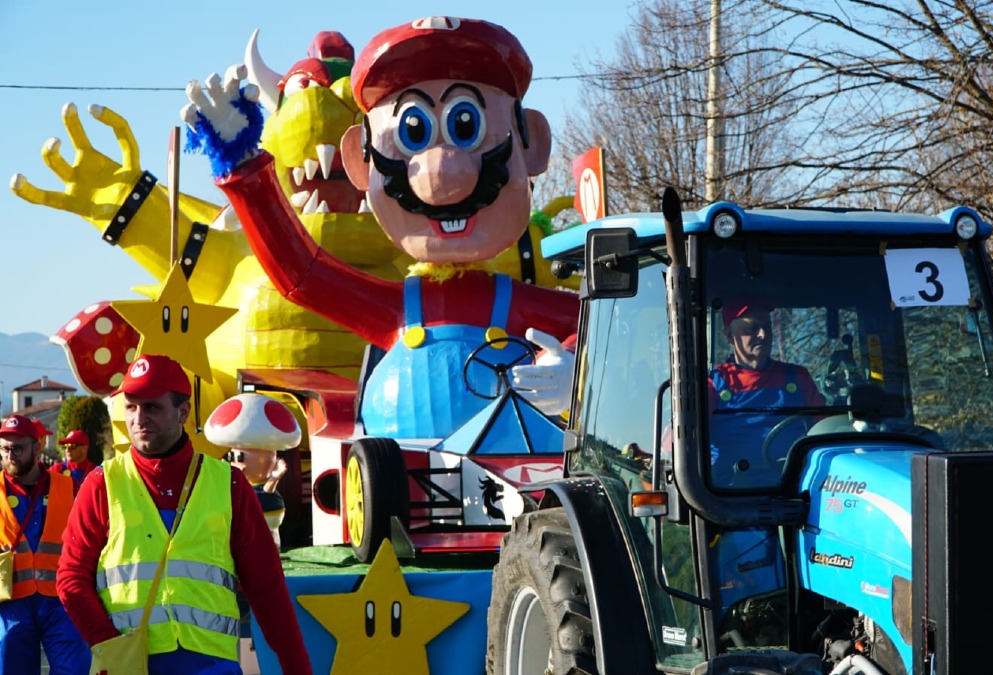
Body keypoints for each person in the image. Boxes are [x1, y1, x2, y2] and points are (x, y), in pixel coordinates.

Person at [182, 16, 579, 441]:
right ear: (359, 160)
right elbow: (301, 274)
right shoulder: (397, 308)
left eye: (466, 127)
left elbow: (613, 329)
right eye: (414, 131)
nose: (443, 170)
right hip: (397, 486)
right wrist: (245, 170)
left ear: (531, 142)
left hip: (514, 484)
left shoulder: (516, 303)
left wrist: (579, 368)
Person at [56, 355, 312, 674]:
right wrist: (108, 644)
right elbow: (71, 578)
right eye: (132, 406)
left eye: (152, 407)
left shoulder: (230, 484)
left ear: (183, 411)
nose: (138, 418)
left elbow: (268, 589)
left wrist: (297, 667)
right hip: (131, 665)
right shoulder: (100, 484)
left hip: (213, 666)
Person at [0, 414, 89, 674]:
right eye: (5, 449)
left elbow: (90, 537)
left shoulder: (68, 486)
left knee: (75, 669)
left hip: (62, 602)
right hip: (11, 604)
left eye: (18, 448)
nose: (10, 455)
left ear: (37, 448)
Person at [707, 299, 825, 485]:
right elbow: (689, 440)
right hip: (731, 493)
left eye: (767, 327)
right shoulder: (713, 384)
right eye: (751, 328)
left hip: (796, 486)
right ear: (729, 335)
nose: (762, 334)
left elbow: (825, 431)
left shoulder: (798, 377)